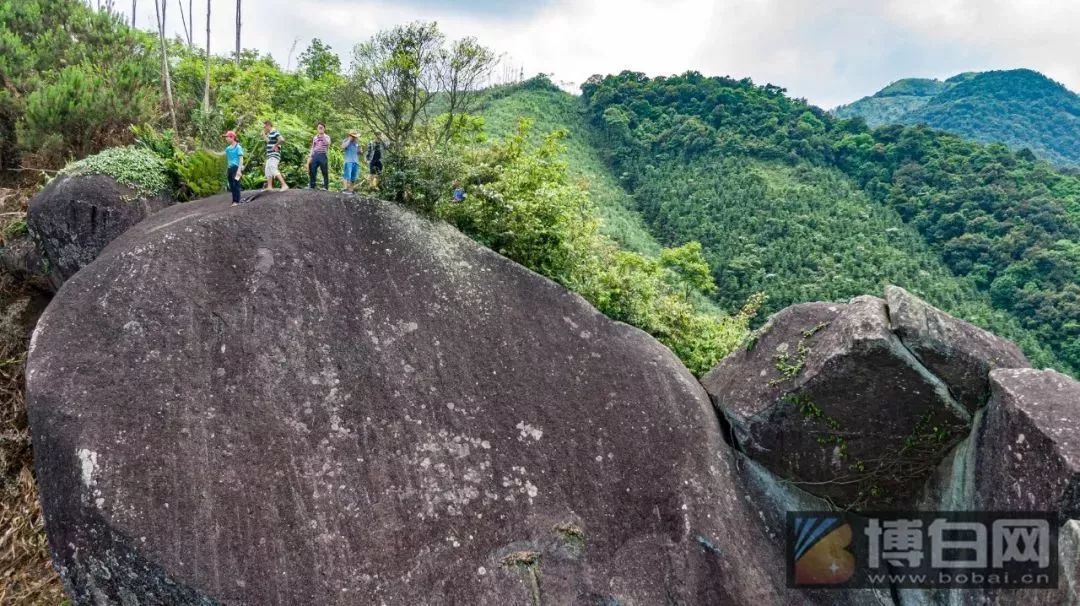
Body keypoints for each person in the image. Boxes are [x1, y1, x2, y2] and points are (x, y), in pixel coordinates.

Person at [263, 120, 288, 191]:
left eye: (264, 127)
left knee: (272, 168)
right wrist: (264, 134)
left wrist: (275, 145)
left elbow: (282, 139)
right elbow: (268, 141)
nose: (264, 128)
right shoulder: (270, 133)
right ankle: (269, 187)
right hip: (269, 155)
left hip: (274, 155)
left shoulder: (274, 131)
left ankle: (284, 185)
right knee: (267, 170)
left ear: (268, 125)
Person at [307, 122, 331, 190]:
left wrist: (322, 135)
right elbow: (313, 147)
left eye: (321, 127)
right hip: (315, 155)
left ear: (324, 128)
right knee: (312, 169)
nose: (320, 129)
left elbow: (328, 143)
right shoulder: (315, 137)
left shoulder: (327, 137)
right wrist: (310, 156)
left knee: (324, 171)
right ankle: (312, 186)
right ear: (317, 129)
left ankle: (326, 187)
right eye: (319, 127)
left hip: (323, 155)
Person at [224, 130, 244, 206]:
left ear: (232, 137)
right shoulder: (228, 148)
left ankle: (236, 201)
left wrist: (239, 170)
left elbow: (241, 159)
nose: (226, 138)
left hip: (236, 167)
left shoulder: (238, 147)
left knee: (236, 184)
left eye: (227, 137)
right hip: (230, 168)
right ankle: (234, 200)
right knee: (231, 185)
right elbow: (222, 154)